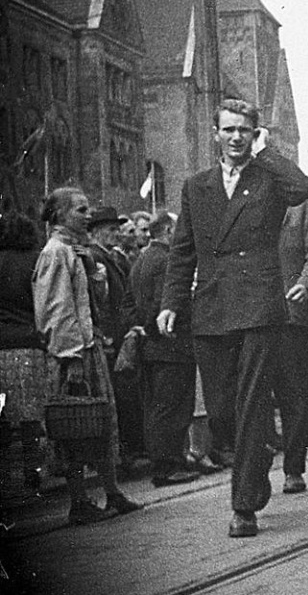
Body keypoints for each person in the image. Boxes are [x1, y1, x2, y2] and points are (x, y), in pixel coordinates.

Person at [158, 99, 308, 538]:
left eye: (244, 130)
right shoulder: (197, 186)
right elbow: (182, 249)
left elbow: (304, 188)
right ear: (215, 134)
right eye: (228, 130)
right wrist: (171, 301)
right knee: (223, 410)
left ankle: (243, 507)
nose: (235, 137)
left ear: (254, 134)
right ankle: (259, 456)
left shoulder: (268, 177)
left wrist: (267, 152)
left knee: (249, 403)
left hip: (258, 306)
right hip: (210, 308)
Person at [32, 187, 141, 525]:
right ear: (61, 215)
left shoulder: (76, 250)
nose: (86, 215)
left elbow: (95, 299)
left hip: (89, 347)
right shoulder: (55, 252)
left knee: (102, 423)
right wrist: (72, 355)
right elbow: (56, 309)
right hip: (74, 355)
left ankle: (112, 492)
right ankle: (79, 500)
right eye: (80, 210)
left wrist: (93, 267)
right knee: (76, 427)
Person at [129, 210, 199, 488]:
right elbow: (164, 303)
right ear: (169, 231)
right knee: (173, 408)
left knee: (157, 407)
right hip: (173, 344)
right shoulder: (169, 261)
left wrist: (141, 329)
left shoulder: (141, 260)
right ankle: (169, 466)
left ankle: (166, 463)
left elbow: (129, 304)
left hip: (151, 346)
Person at [276, 192, 308, 495]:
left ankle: (293, 469)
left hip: (292, 315)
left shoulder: (303, 205)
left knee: (293, 395)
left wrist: (306, 283)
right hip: (249, 315)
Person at [88, 206, 144, 470]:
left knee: (125, 396)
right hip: (111, 338)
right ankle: (123, 455)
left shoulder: (109, 257)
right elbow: (102, 303)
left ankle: (127, 452)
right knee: (119, 397)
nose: (117, 234)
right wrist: (109, 336)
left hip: (119, 336)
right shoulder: (96, 257)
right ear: (97, 232)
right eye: (111, 230)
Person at [0, 212, 46, 496]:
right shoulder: (34, 259)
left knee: (3, 415)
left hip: (0, 346)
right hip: (28, 344)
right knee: (30, 417)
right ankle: (32, 474)